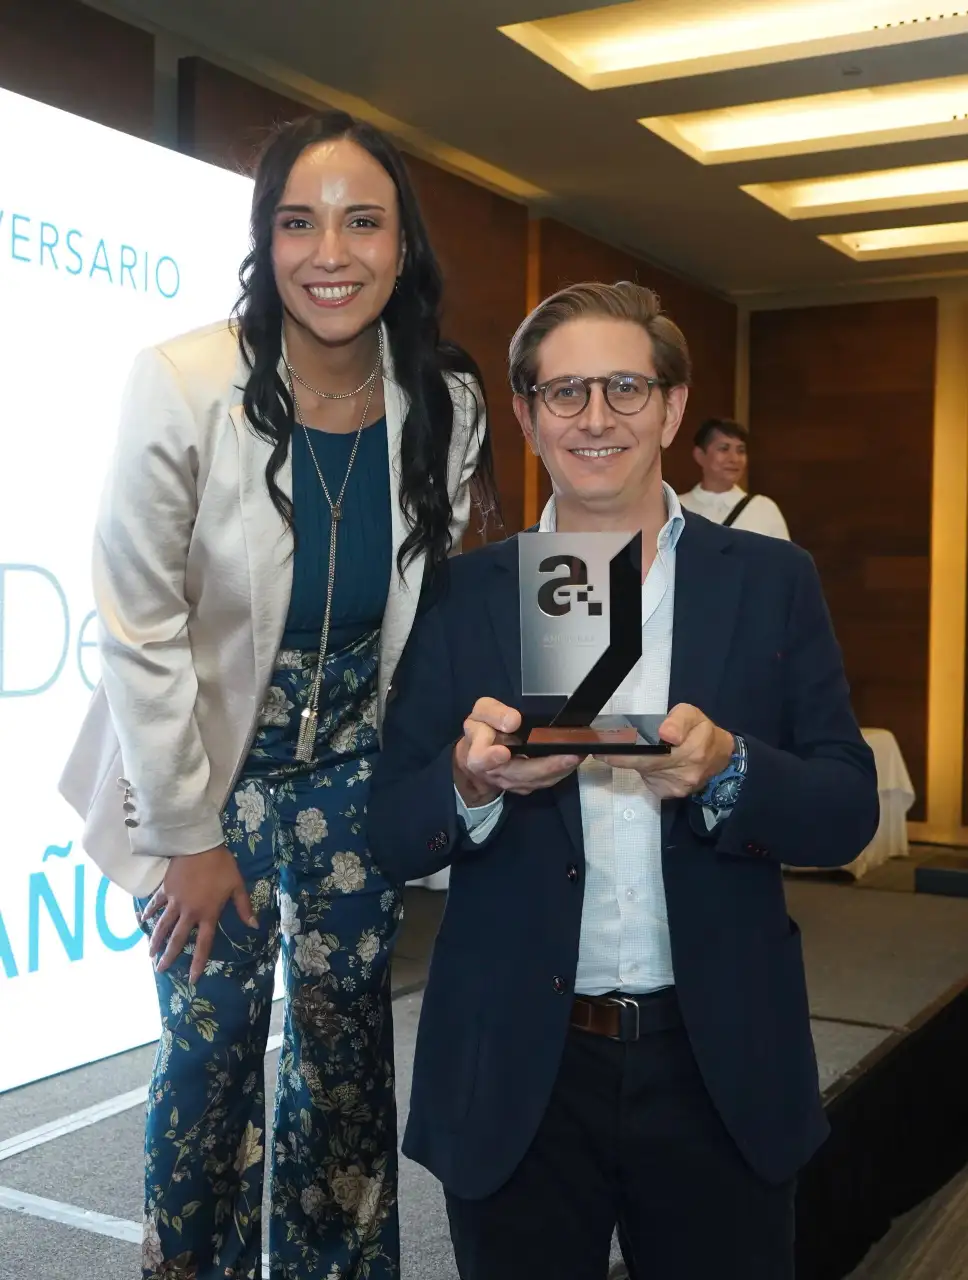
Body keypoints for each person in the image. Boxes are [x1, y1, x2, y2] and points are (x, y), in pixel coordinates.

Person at [367, 281, 878, 1280]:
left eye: (624, 388)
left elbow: (846, 807)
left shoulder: (770, 582)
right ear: (525, 417)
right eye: (564, 392)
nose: (594, 417)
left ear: (672, 407)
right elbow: (388, 828)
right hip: (518, 1067)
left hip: (716, 1064)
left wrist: (728, 769)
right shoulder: (463, 594)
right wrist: (471, 782)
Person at [58, 110, 493, 1280]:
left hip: (356, 767)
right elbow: (140, 621)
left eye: (362, 222)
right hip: (207, 768)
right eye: (298, 222)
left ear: (403, 245)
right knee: (210, 1055)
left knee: (346, 1054)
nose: (330, 252)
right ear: (265, 240)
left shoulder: (444, 400)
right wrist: (188, 834)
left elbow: (428, 608)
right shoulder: (184, 382)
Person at [679, 416, 790, 539]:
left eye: (741, 451)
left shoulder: (764, 509)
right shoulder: (676, 507)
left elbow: (783, 552)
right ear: (700, 455)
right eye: (724, 449)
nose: (734, 459)